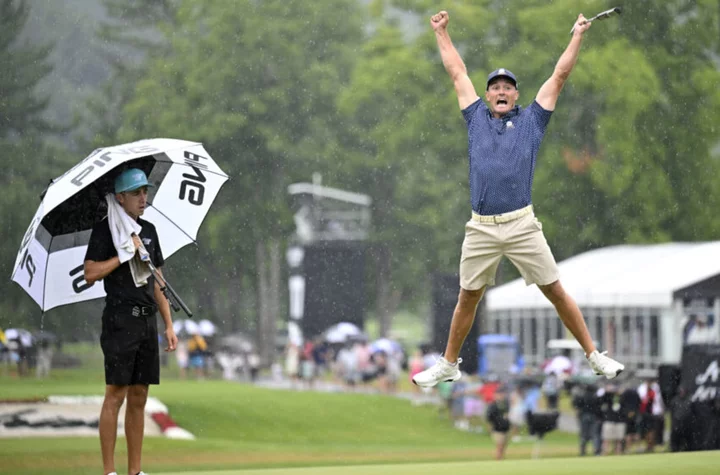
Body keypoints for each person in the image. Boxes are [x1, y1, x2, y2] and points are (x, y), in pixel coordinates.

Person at [412, 10, 624, 389]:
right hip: (481, 226)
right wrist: (441, 33)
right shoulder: (475, 116)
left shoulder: (532, 121)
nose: (501, 92)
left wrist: (576, 34)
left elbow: (559, 76)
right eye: (495, 87)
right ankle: (448, 364)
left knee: (555, 291)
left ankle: (594, 356)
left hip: (522, 224)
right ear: (488, 93)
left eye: (507, 87)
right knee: (468, 297)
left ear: (516, 94)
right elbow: (458, 73)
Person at [84, 168, 178, 475]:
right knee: (116, 394)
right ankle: (109, 472)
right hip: (119, 321)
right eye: (136, 193)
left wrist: (168, 325)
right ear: (120, 198)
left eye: (145, 192)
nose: (143, 198)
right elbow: (90, 273)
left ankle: (134, 472)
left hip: (147, 322)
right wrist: (123, 255)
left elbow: (157, 281)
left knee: (140, 395)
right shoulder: (105, 231)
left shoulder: (149, 230)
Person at [486, 385, 512, 460]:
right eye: (499, 394)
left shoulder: (506, 404)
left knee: (503, 446)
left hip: (505, 428)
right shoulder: (493, 405)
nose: (501, 396)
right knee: (499, 446)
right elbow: (489, 417)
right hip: (497, 429)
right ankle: (498, 459)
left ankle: (501, 459)